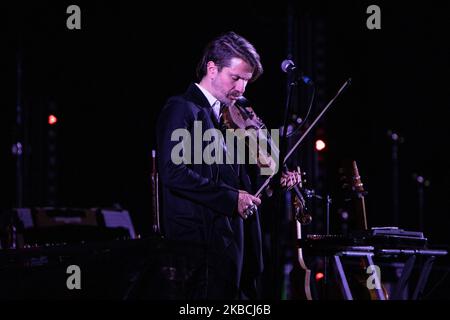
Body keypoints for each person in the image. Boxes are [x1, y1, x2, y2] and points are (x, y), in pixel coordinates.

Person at [156, 31, 300, 299]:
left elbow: (240, 182)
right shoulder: (181, 108)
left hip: (235, 246)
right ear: (212, 68)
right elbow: (173, 172)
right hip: (200, 248)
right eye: (235, 78)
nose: (241, 89)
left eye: (246, 81)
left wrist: (273, 182)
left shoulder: (231, 119)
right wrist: (230, 199)